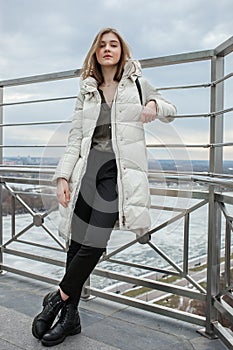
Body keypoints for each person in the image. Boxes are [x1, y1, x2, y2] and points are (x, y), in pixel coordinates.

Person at [32, 27, 176, 347]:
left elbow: (170, 108)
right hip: (88, 169)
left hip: (117, 173)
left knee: (94, 242)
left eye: (114, 44)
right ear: (95, 52)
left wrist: (153, 103)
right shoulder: (87, 90)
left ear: (122, 51)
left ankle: (56, 298)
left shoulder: (136, 83)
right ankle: (71, 318)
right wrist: (62, 178)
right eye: (102, 45)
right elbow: (74, 140)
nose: (107, 49)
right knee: (76, 241)